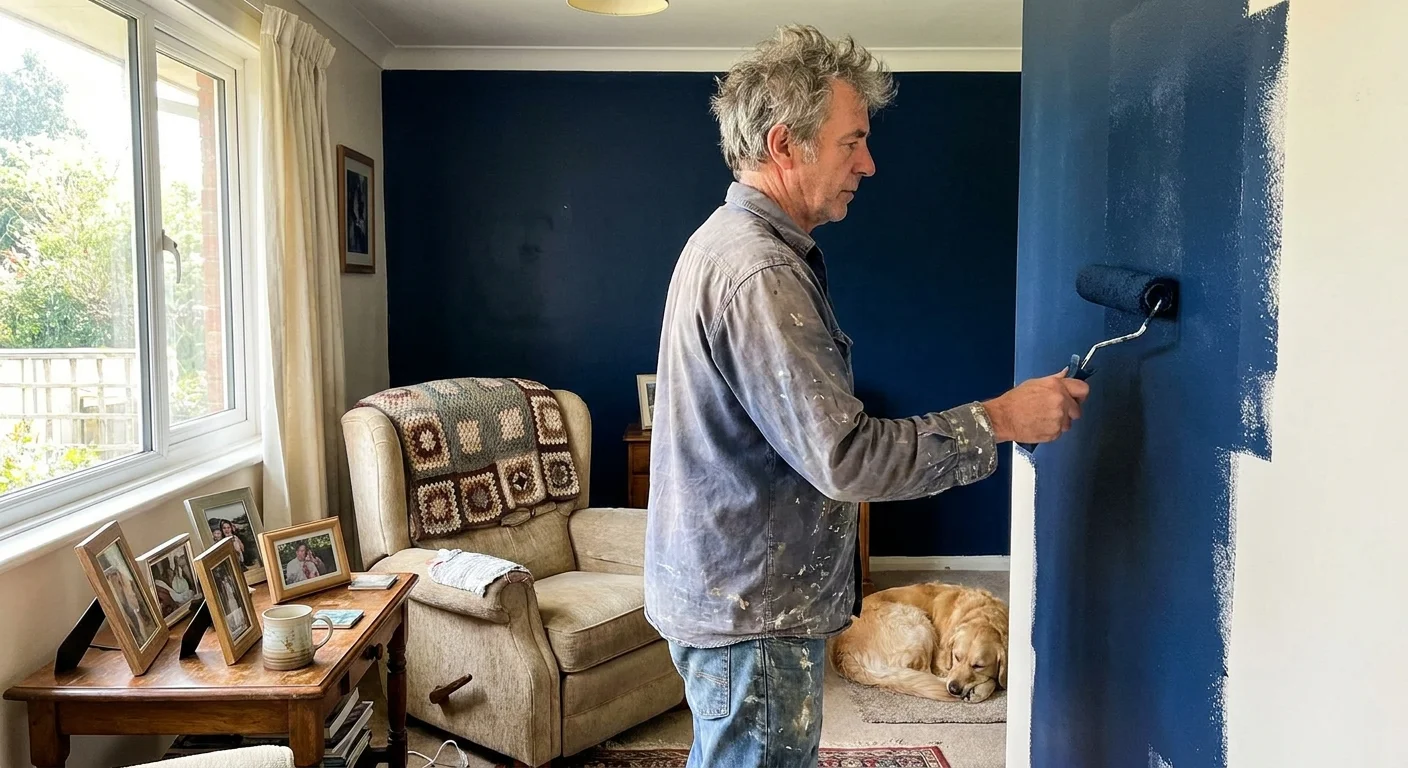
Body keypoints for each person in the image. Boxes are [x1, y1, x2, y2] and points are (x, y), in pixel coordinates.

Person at [642, 25, 1089, 768]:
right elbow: (845, 458)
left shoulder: (735, 245)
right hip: (753, 612)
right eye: (852, 142)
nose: (869, 164)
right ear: (787, 144)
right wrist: (1001, 419)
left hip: (737, 597)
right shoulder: (760, 273)